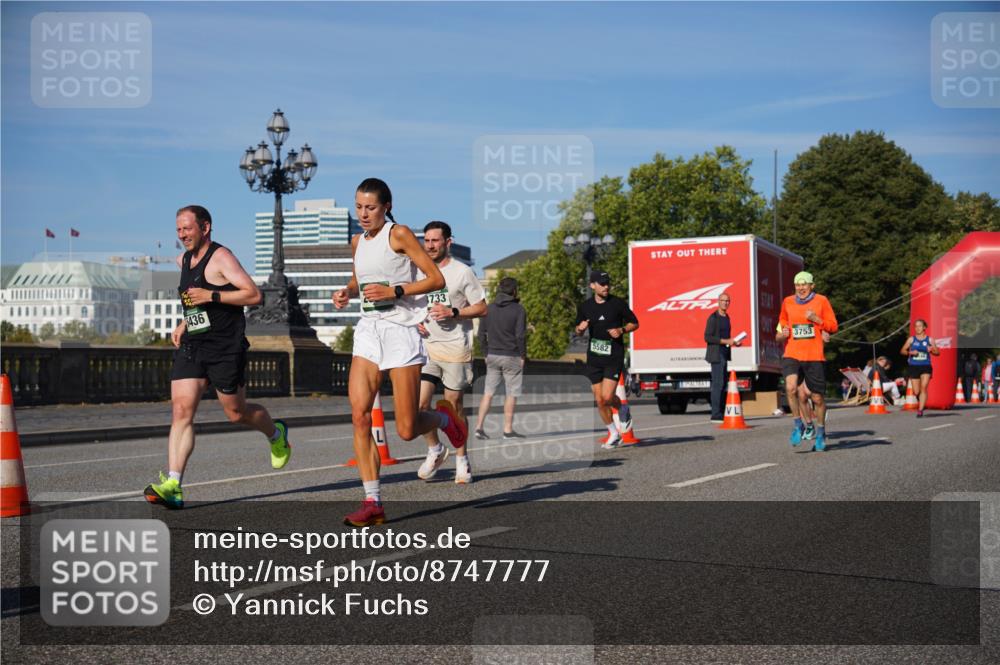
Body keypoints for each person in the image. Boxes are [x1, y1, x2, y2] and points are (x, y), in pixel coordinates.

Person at [332, 179, 466, 527]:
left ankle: (443, 420)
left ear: (386, 206)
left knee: (407, 428)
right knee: (360, 415)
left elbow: (435, 279)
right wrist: (347, 291)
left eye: (371, 208)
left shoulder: (400, 234)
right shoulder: (356, 241)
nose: (363, 214)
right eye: (359, 207)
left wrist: (396, 289)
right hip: (368, 331)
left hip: (401, 330)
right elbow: (359, 278)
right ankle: (372, 501)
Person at [143, 205, 291, 509]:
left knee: (236, 413)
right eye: (179, 230)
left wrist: (212, 295)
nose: (182, 235)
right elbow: (193, 301)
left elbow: (253, 295)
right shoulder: (182, 260)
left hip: (225, 348)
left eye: (187, 228)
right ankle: (173, 484)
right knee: (181, 411)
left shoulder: (222, 257)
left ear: (205, 228)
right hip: (194, 346)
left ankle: (276, 433)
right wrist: (185, 323)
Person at [415, 221, 487, 484]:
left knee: (453, 406)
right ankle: (435, 449)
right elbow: (415, 305)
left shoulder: (462, 272)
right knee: (418, 407)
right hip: (427, 349)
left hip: (456, 348)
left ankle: (461, 458)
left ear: (448, 242)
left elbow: (482, 308)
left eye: (435, 240)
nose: (430, 245)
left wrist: (453, 312)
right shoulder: (421, 271)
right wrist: (417, 321)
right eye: (427, 240)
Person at [574, 271, 640, 449]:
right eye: (602, 284)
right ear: (592, 285)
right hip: (594, 358)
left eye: (607, 283)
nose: (606, 286)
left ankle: (622, 409)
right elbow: (577, 329)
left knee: (607, 397)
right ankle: (613, 432)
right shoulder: (585, 306)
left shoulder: (617, 304)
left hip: (613, 356)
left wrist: (622, 330)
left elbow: (635, 323)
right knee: (599, 400)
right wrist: (580, 329)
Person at [776, 271, 838, 452]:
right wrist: (782, 334)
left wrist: (817, 320)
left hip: (813, 355)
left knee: (817, 398)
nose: (800, 288)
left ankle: (820, 432)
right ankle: (798, 425)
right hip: (792, 353)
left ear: (812, 285)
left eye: (804, 285)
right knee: (790, 388)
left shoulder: (822, 301)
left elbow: (833, 325)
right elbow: (779, 330)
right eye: (797, 285)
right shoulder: (787, 302)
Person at [474, 277, 527, 440]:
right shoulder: (519, 310)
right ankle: (507, 430)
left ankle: (479, 428)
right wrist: (523, 355)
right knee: (511, 394)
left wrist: (485, 352)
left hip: (493, 355)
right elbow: (520, 335)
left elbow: (480, 334)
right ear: (514, 291)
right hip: (512, 355)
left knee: (488, 393)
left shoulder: (488, 309)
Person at [704, 292, 742, 423]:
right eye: (723, 300)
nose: (725, 303)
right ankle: (715, 414)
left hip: (724, 353)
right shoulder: (713, 318)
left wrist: (734, 342)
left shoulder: (727, 317)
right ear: (718, 301)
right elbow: (707, 337)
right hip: (716, 354)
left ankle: (721, 411)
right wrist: (726, 341)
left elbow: (727, 338)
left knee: (723, 384)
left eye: (727, 301)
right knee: (717, 384)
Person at [901, 319, 940, 416]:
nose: (917, 328)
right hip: (914, 366)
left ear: (924, 328)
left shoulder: (930, 340)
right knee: (916, 391)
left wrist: (931, 350)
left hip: (926, 366)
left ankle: (920, 410)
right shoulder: (911, 339)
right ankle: (922, 400)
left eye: (919, 326)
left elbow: (937, 352)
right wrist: (910, 353)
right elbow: (902, 351)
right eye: (916, 326)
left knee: (924, 387)